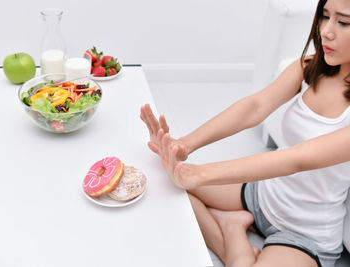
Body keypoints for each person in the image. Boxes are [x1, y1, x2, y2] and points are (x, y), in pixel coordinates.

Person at [140, 0, 350, 266]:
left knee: (184, 180)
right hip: (262, 195)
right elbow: (255, 107)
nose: (326, 31)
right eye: (324, 17)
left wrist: (199, 174)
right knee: (160, 181)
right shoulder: (310, 66)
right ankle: (233, 230)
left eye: (343, 22)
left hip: (305, 234)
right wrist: (184, 145)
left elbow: (296, 159)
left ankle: (232, 230)